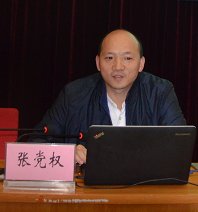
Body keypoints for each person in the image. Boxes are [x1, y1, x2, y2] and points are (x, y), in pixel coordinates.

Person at [36, 29, 186, 165]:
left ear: (141, 63)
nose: (118, 66)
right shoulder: (73, 95)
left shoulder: (160, 92)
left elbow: (180, 145)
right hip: (87, 185)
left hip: (146, 184)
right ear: (98, 63)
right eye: (109, 58)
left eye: (127, 58)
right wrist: (67, 153)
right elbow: (37, 143)